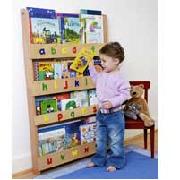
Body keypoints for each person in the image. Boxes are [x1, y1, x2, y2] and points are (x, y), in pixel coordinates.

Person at [87, 42, 131, 172]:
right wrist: (90, 66)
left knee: (115, 140)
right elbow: (95, 77)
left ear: (116, 61)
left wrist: (112, 102)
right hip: (101, 114)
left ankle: (116, 161)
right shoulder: (102, 74)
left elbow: (126, 94)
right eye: (101, 60)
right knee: (100, 139)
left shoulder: (120, 78)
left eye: (104, 61)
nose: (102, 63)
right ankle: (99, 159)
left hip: (115, 114)